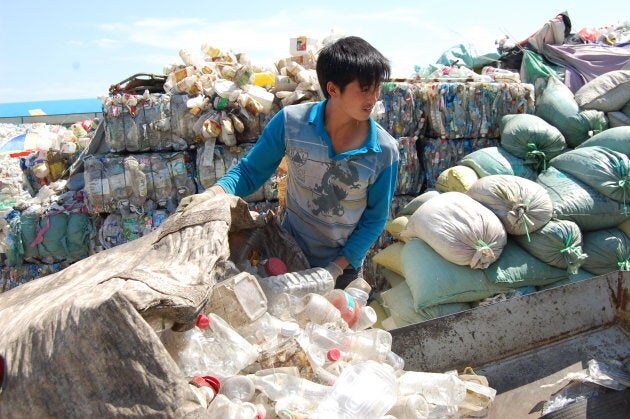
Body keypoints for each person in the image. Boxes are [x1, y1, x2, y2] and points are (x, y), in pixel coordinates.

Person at [178, 36, 399, 289]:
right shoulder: (291, 123)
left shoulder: (384, 150)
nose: (372, 98)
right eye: (363, 89)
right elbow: (251, 172)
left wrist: (336, 268)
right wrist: (212, 194)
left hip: (342, 270)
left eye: (376, 88)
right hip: (286, 254)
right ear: (333, 89)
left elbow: (375, 219)